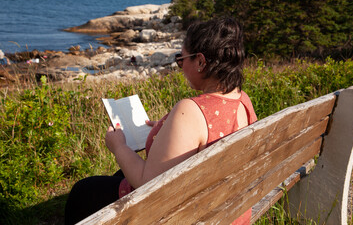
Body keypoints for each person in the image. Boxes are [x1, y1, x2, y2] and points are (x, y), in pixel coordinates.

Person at [65, 17, 257, 225]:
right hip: (228, 206)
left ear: (201, 62)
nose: (180, 65)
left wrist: (118, 146)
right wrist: (169, 130)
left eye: (181, 58)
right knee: (119, 174)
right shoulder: (241, 99)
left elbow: (147, 184)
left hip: (192, 214)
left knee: (83, 191)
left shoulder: (191, 110)